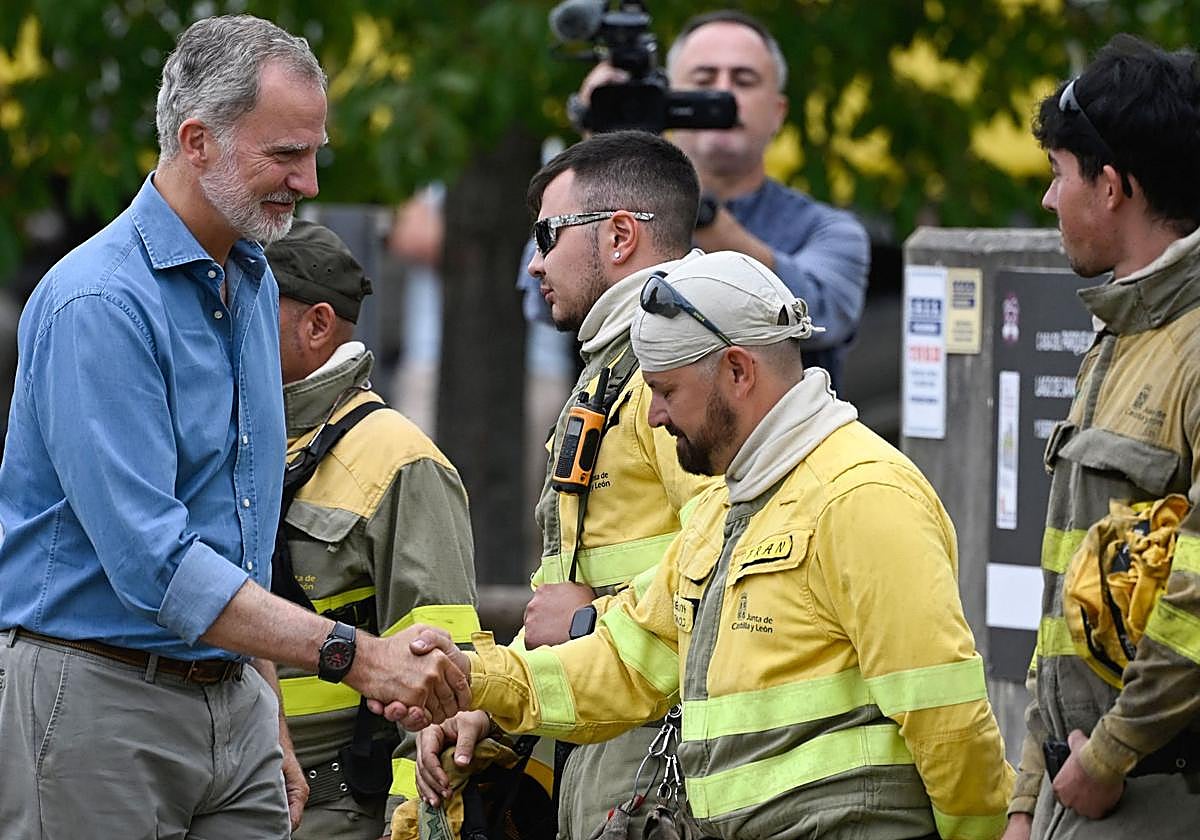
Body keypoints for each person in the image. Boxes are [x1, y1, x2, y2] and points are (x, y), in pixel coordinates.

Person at [0, 15, 468, 839]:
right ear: (196, 140)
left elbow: (235, 537)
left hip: (235, 707)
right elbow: (158, 566)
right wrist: (358, 657)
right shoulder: (98, 304)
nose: (310, 182)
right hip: (99, 705)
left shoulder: (249, 278)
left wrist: (263, 709)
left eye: (314, 152)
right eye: (286, 155)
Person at [420, 251, 1014, 839]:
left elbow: (947, 721)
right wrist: (472, 678)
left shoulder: (862, 495)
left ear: (737, 371)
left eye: (667, 391)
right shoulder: (724, 511)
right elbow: (623, 663)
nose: (653, 417)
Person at [424, 130, 714, 840]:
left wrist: (591, 620)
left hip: (658, 754)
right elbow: (557, 608)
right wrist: (490, 704)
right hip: (613, 737)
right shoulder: (619, 366)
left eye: (548, 236)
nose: (533, 263)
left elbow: (727, 561)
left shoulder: (671, 366)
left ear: (620, 236)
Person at [1000, 35, 1200, 840]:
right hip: (1073, 793)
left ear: (1112, 186)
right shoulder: (1119, 333)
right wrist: (1026, 796)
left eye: (1058, 174)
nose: (1050, 200)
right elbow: (1065, 607)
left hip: (1152, 795)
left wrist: (1107, 757)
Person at [518, 9, 870, 392]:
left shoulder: (830, 231)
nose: (722, 92)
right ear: (664, 98)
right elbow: (542, 299)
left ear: (778, 112)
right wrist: (602, 158)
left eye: (744, 80)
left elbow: (821, 315)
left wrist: (691, 207)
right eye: (703, 80)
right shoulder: (625, 214)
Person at [266, 220, 481, 840]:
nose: (221, 321)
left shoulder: (400, 460)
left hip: (333, 811)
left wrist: (410, 825)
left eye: (251, 303)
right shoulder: (227, 437)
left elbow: (442, 676)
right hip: (226, 797)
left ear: (317, 325)